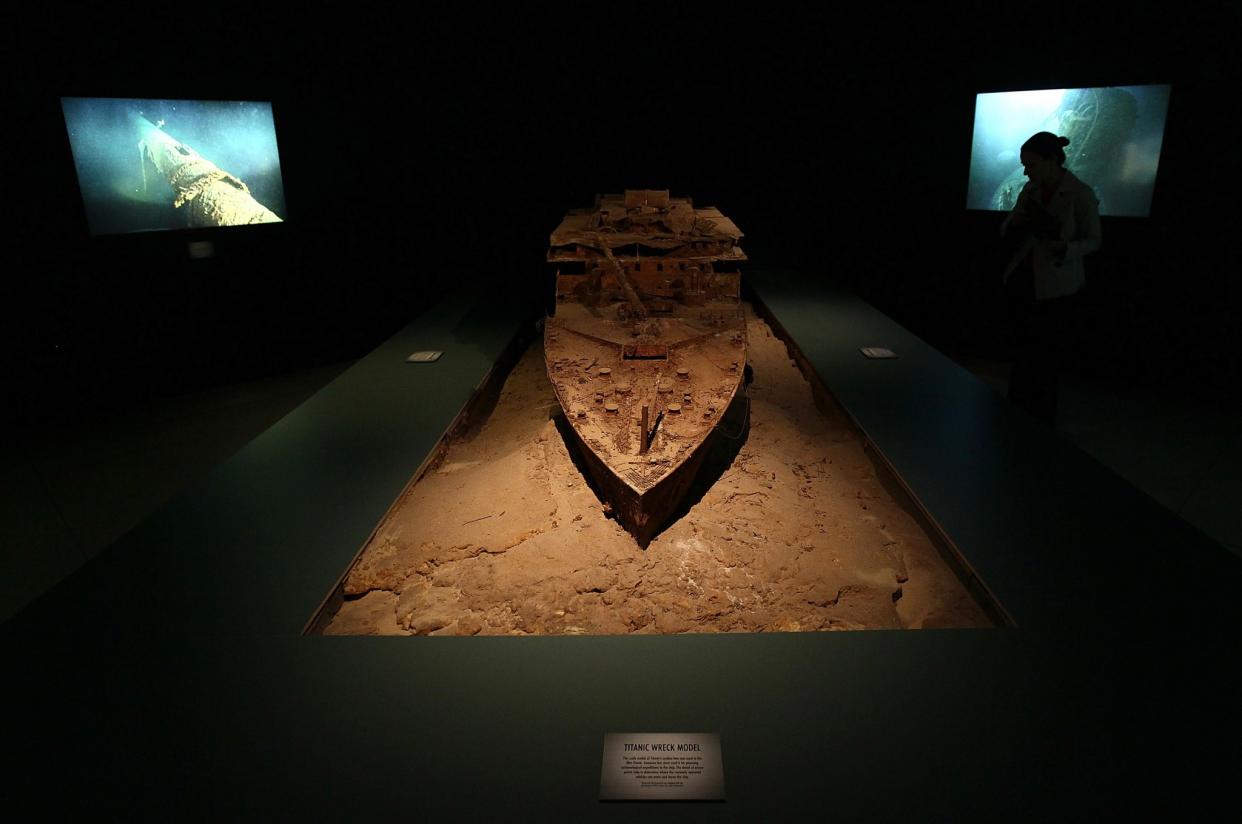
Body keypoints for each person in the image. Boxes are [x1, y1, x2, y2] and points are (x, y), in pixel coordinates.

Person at [999, 131, 1101, 424]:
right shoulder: (1029, 191)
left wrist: (1065, 248)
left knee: (1046, 358)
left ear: (1052, 160)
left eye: (1030, 164)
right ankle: (1017, 410)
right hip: (1025, 280)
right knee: (1022, 353)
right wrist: (1014, 223)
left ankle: (1041, 417)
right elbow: (1008, 227)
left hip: (1057, 289)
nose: (1025, 171)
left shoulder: (1081, 193)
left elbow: (1094, 240)